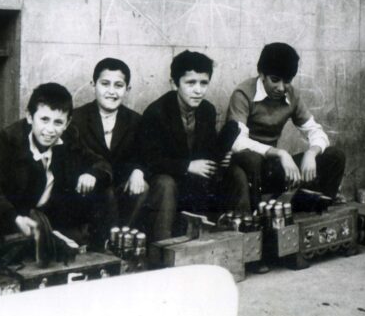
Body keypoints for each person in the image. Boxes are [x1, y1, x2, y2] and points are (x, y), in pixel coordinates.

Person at [0, 83, 113, 255]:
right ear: (30, 116)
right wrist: (13, 217)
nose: (50, 130)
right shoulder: (10, 139)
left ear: (67, 123)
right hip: (7, 214)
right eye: (44, 119)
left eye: (58, 122)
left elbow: (102, 164)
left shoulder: (70, 137)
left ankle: (98, 252)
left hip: (44, 216)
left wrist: (92, 174)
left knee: (103, 191)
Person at [224, 42, 346, 213]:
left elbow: (315, 130)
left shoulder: (292, 95)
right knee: (252, 159)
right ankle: (261, 217)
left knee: (335, 156)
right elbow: (237, 141)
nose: (281, 88)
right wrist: (280, 153)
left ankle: (317, 210)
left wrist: (312, 152)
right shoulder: (243, 93)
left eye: (287, 81)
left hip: (272, 168)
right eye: (275, 80)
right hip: (246, 169)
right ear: (261, 74)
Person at [138, 50, 221, 241]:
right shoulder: (156, 112)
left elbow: (208, 150)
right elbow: (150, 160)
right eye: (190, 83)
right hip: (165, 179)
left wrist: (220, 157)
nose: (198, 90)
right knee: (166, 183)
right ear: (174, 83)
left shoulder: (207, 110)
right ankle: (163, 245)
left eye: (204, 83)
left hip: (194, 181)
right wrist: (187, 166)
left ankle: (211, 239)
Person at [71, 58, 147, 230]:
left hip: (121, 189)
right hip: (89, 189)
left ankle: (122, 237)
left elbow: (143, 154)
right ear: (93, 84)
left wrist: (138, 171)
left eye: (118, 86)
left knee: (144, 186)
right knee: (105, 193)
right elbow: (72, 157)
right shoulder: (77, 118)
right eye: (105, 84)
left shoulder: (135, 120)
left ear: (127, 89)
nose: (111, 91)